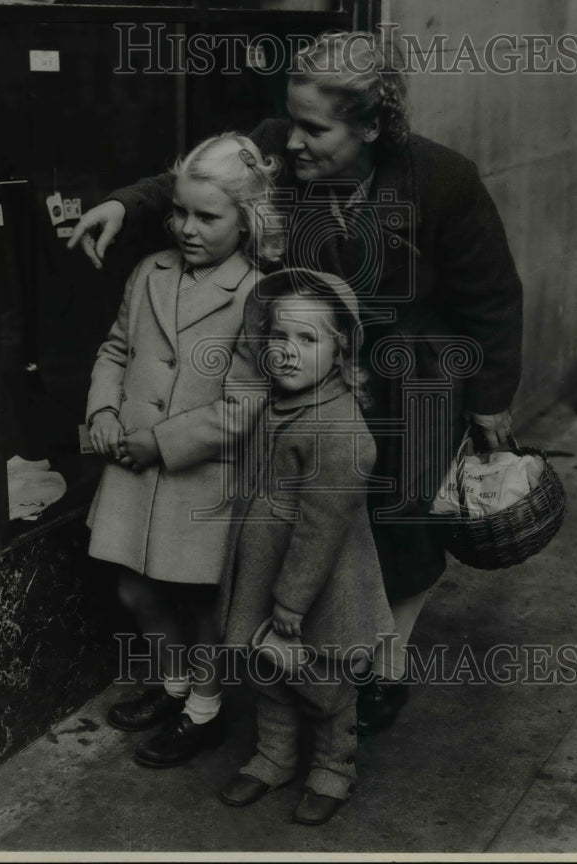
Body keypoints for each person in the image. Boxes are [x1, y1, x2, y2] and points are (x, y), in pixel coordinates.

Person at [71, 30, 524, 734]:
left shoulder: (442, 180)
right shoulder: (279, 146)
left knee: (402, 533)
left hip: (414, 385)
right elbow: (205, 182)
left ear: (373, 126)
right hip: (312, 381)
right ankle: (322, 665)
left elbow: (492, 297)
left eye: (317, 129)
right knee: (329, 527)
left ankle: (383, 670)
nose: (294, 145)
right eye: (293, 122)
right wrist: (128, 205)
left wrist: (492, 400)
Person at [86, 133, 283, 768]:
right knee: (135, 591)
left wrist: (162, 443)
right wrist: (104, 410)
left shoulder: (256, 294)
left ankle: (204, 706)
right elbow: (117, 349)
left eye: (208, 216)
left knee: (203, 604)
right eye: (180, 212)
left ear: (247, 219)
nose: (187, 229)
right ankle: (172, 684)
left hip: (200, 476)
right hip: (132, 469)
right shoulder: (150, 271)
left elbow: (244, 404)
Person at [215, 268, 393, 825]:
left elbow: (321, 529)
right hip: (268, 564)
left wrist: (291, 601)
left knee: (323, 682)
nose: (287, 352)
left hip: (321, 580)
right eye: (279, 337)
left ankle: (334, 768)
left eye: (308, 339)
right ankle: (274, 755)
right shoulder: (282, 404)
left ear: (340, 350)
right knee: (267, 670)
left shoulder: (338, 431)